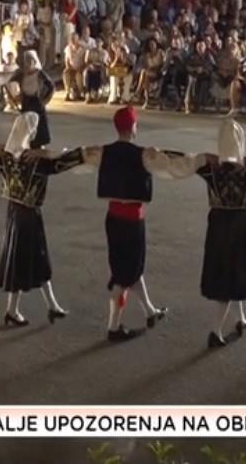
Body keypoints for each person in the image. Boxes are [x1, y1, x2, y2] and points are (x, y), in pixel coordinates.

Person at [145, 119, 246, 348]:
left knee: (227, 270)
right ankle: (215, 331)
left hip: (218, 222)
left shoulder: (209, 166)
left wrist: (200, 158)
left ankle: (240, 317)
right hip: (240, 223)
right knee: (232, 274)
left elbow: (179, 162)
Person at [76, 107, 177, 343]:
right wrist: (159, 154)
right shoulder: (143, 154)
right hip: (132, 220)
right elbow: (170, 166)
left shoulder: (104, 152)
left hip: (113, 218)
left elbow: (77, 160)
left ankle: (150, 311)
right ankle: (113, 326)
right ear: (133, 127)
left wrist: (82, 151)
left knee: (128, 268)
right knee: (125, 274)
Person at [0, 113, 85, 326]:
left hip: (13, 212)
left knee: (32, 258)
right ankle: (13, 310)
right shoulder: (35, 159)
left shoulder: (6, 155)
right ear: (30, 131)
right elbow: (64, 158)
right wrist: (47, 152)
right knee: (28, 259)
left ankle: (49, 305)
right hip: (29, 215)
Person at [6, 50, 54, 149]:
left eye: (30, 61)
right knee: (26, 133)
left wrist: (45, 100)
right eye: (26, 61)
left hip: (37, 105)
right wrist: (13, 96)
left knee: (38, 134)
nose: (27, 64)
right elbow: (8, 80)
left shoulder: (40, 74)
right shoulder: (21, 74)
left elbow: (51, 87)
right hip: (26, 104)